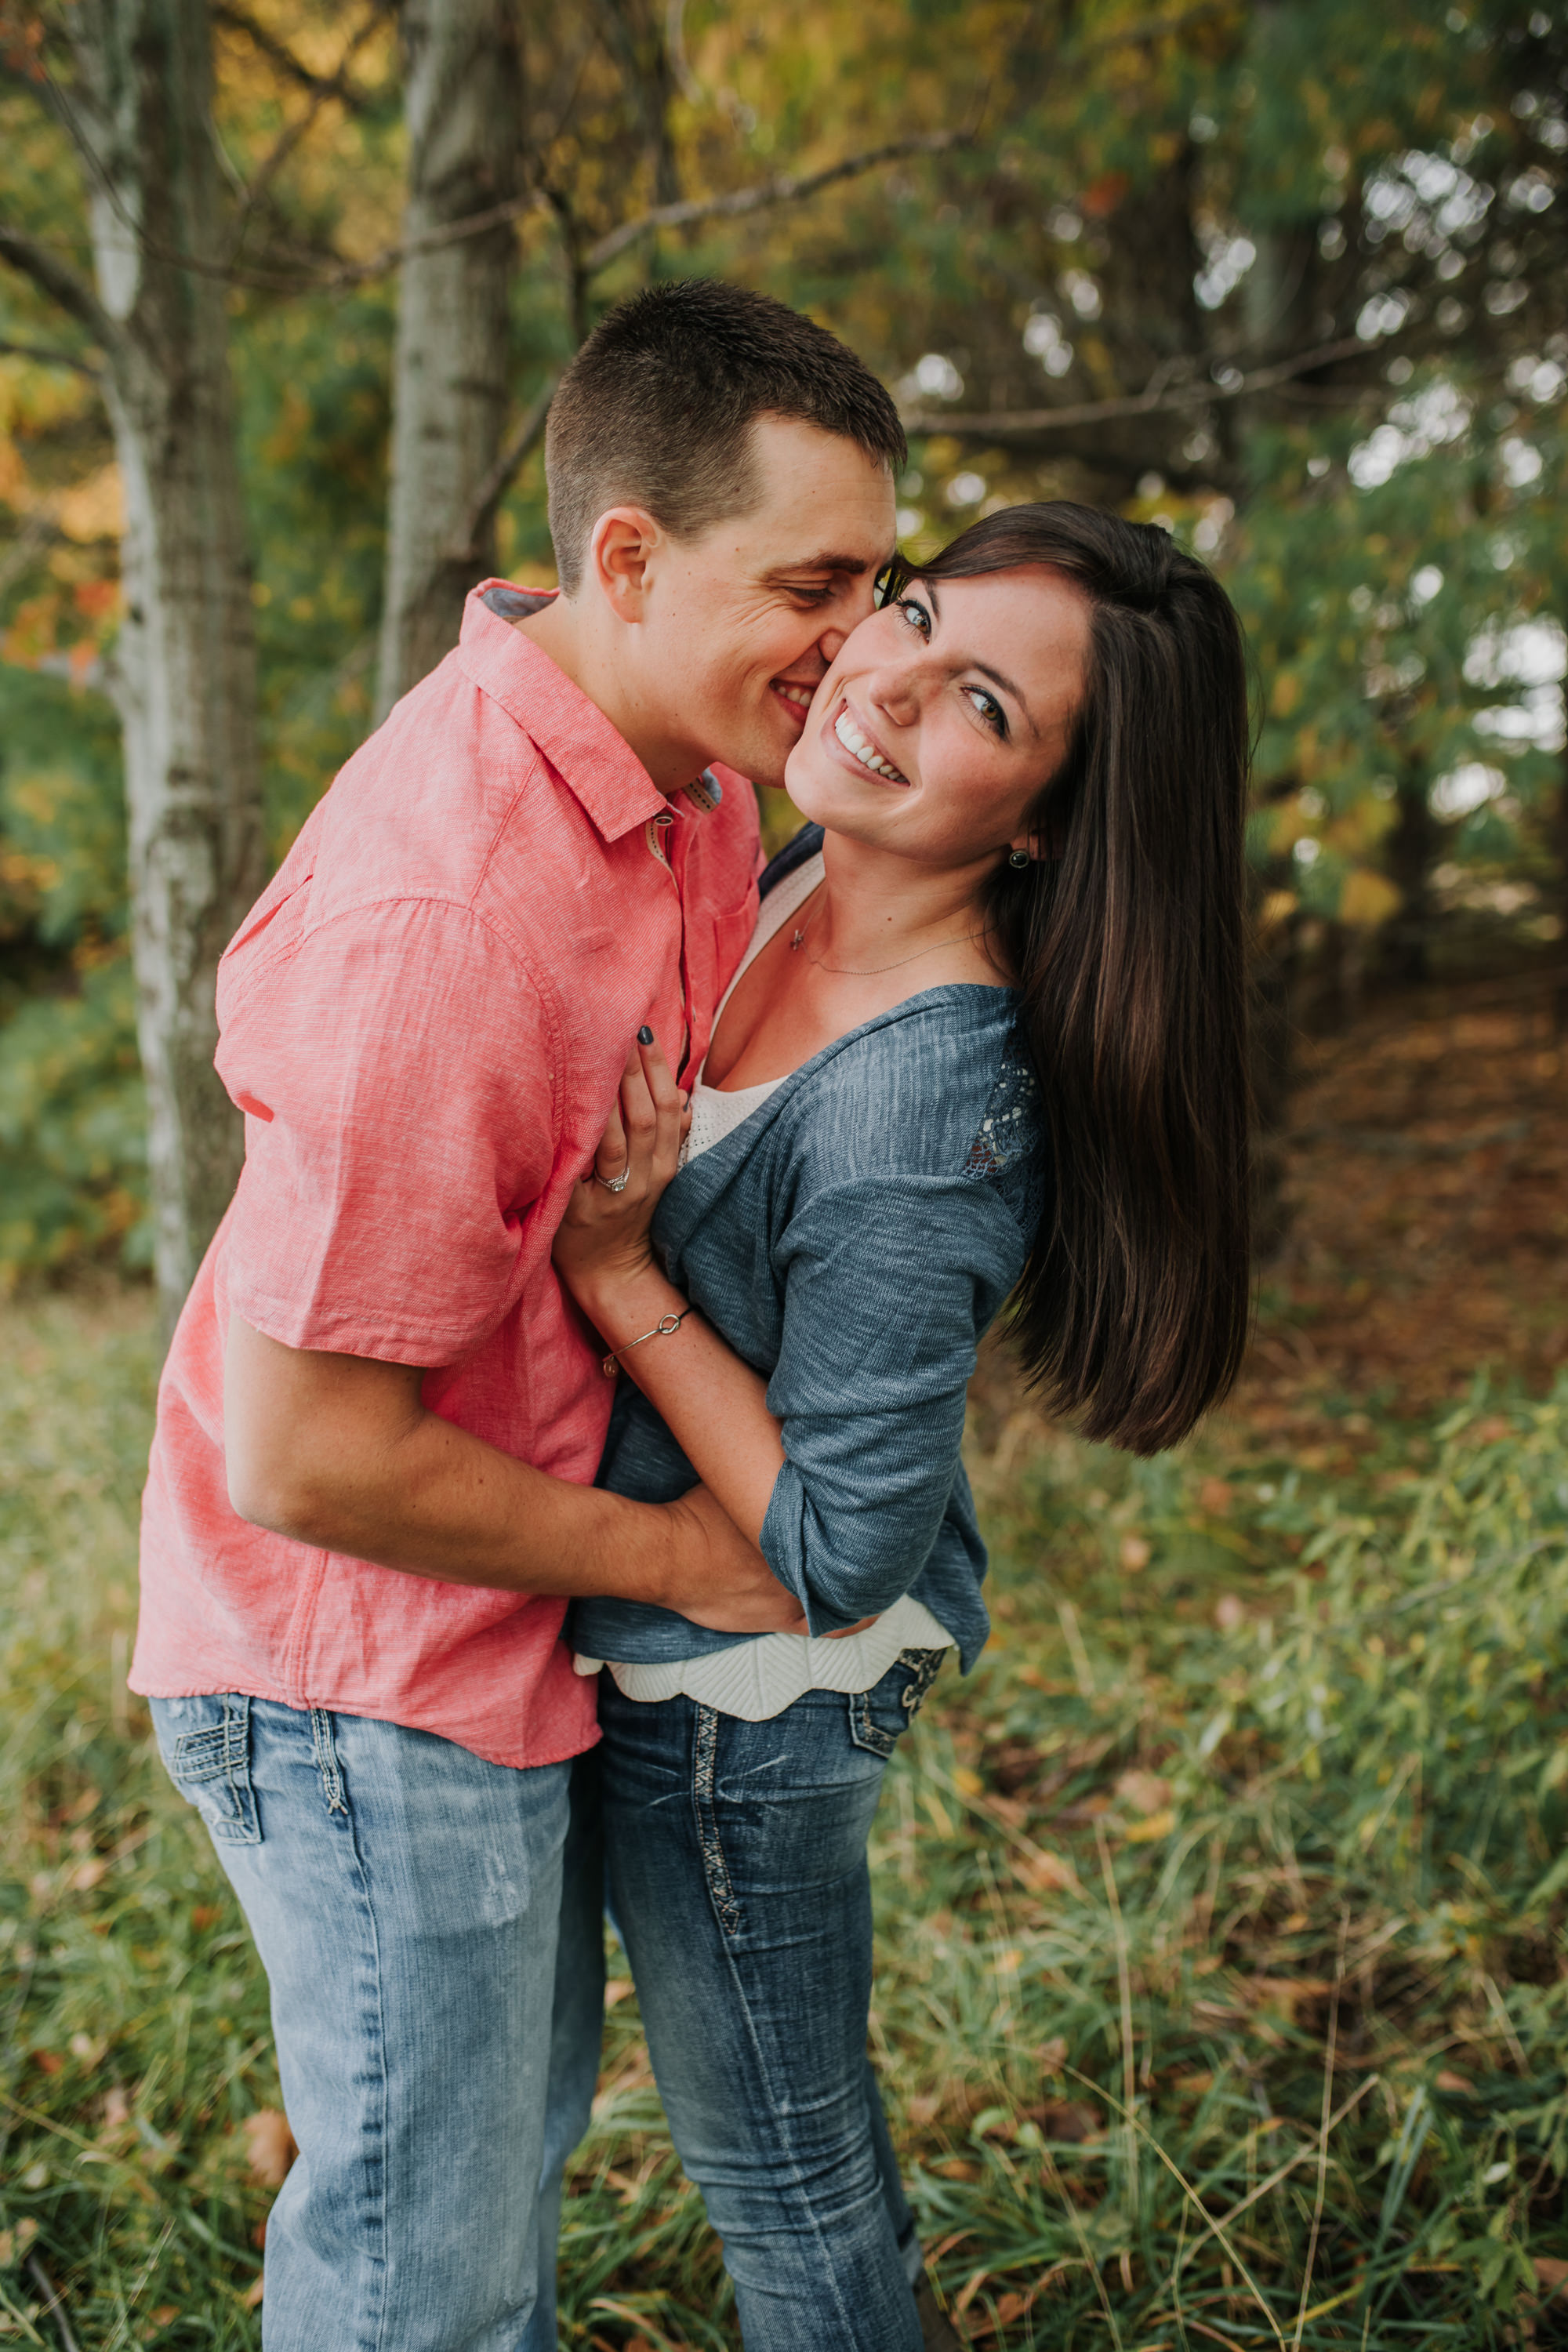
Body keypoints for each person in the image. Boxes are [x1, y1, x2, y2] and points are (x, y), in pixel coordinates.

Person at [130, 279, 909, 2352]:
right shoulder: (447, 910)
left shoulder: (705, 780)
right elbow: (304, 1455)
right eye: (813, 582)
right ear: (627, 558)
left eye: (881, 581)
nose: (860, 637)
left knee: (485, 2150)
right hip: (355, 1658)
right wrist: (684, 1556)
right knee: (433, 2276)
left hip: (499, 1608)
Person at [547, 500, 1254, 2350]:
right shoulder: (798, 865)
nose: (881, 685)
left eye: (981, 708)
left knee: (789, 2188)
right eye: (912, 616)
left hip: (742, 1712)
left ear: (1036, 824)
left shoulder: (921, 1113)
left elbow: (844, 1552)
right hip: (654, 1641)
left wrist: (624, 1279)